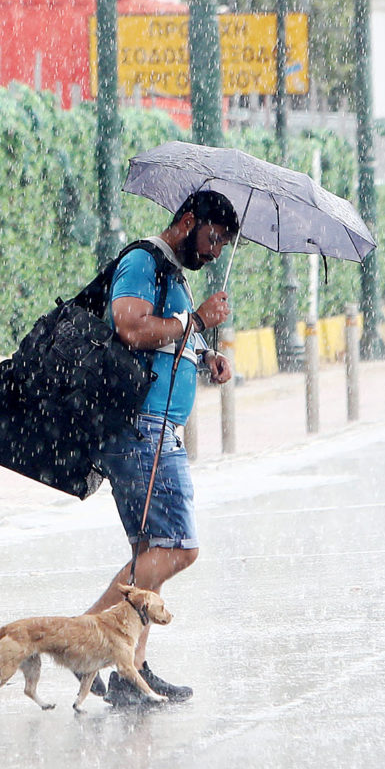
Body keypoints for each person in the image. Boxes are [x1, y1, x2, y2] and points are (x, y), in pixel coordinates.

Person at [84, 189, 238, 706]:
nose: (215, 252)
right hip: (140, 426)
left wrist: (206, 354)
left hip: (154, 426)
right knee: (179, 547)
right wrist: (197, 322)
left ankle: (131, 671)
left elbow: (174, 339)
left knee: (149, 552)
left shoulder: (175, 275)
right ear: (189, 221)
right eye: (212, 238)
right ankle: (84, 636)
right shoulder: (142, 262)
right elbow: (130, 326)